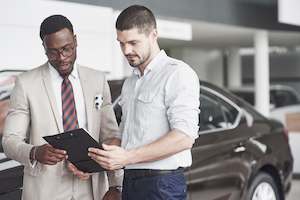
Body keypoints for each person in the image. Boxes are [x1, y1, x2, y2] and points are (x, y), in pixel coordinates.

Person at [2, 15, 122, 200]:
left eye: (67, 49)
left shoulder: (97, 80)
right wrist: (34, 152)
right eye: (53, 52)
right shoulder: (26, 84)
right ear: (44, 49)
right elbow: (10, 140)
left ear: (75, 40)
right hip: (44, 190)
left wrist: (116, 185)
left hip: (91, 188)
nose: (62, 57)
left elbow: (110, 137)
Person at [88, 5, 200, 200]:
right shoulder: (131, 83)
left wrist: (127, 157)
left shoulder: (178, 73)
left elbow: (184, 137)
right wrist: (94, 158)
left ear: (153, 35)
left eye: (133, 42)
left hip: (162, 186)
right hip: (130, 181)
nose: (126, 50)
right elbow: (126, 138)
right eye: (121, 43)